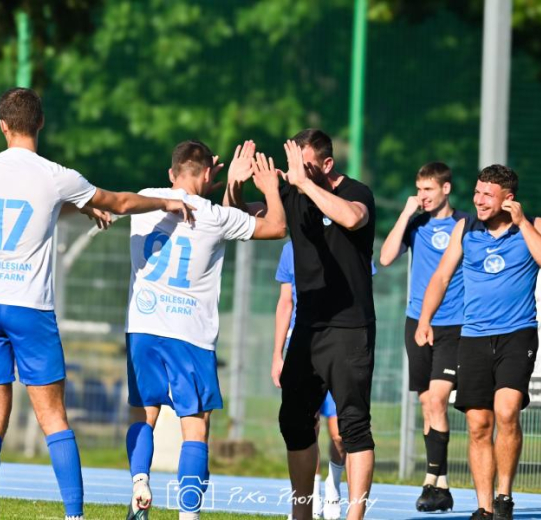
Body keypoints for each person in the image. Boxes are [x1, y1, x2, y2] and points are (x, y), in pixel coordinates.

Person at [0, 87, 194, 520]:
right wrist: (168, 200)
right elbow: (121, 203)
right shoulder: (57, 176)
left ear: (2, 126)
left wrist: (78, 206)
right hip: (28, 307)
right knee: (53, 416)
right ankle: (74, 515)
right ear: (41, 123)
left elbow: (25, 209)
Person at [123, 140, 287, 520]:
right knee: (194, 427)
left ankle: (139, 484)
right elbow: (277, 226)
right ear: (209, 173)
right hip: (190, 335)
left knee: (144, 414)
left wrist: (215, 182)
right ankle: (189, 516)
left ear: (171, 173)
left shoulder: (147, 198)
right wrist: (270, 189)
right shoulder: (214, 216)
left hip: (143, 328)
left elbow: (123, 203)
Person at [415, 164, 541, 520]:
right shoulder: (466, 229)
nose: (478, 201)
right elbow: (442, 275)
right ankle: (483, 508)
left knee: (507, 411)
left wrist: (523, 223)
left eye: (487, 195)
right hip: (474, 337)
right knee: (479, 424)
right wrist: (424, 319)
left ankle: (504, 498)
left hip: (517, 334)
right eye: (477, 193)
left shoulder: (534, 225)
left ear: (508, 199)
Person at [271, 130, 376, 520]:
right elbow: (251, 216)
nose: (296, 171)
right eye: (293, 162)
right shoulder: (294, 193)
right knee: (294, 421)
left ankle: (353, 517)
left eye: (306, 163)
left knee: (352, 425)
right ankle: (302, 513)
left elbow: (350, 217)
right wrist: (234, 186)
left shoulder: (357, 192)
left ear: (327, 165)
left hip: (350, 328)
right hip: (308, 329)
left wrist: (302, 184)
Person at [379, 162, 467, 513]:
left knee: (437, 402)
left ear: (445, 189)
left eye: (429, 190)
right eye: (419, 189)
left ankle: (432, 481)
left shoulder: (464, 223)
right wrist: (405, 214)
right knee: (426, 403)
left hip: (454, 323)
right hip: (417, 322)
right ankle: (440, 483)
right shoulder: (416, 224)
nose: (423, 196)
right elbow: (385, 258)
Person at [274, 240, 348, 520]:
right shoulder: (292, 247)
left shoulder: (347, 241)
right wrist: (276, 354)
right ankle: (311, 495)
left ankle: (334, 484)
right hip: (302, 345)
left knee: (340, 433)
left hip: (339, 342)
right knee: (307, 426)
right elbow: (285, 302)